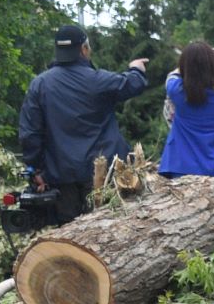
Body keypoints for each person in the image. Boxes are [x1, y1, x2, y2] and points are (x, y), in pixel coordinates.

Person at [17, 23, 150, 225]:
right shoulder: (98, 80)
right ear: (84, 49)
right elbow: (132, 84)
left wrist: (35, 169)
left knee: (69, 233)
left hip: (60, 176)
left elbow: (30, 133)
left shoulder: (40, 85)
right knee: (107, 229)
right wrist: (137, 69)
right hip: (102, 174)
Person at [159, 41, 214, 183]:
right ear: (212, 64)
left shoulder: (176, 90)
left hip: (182, 166)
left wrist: (188, 62)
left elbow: (171, 76)